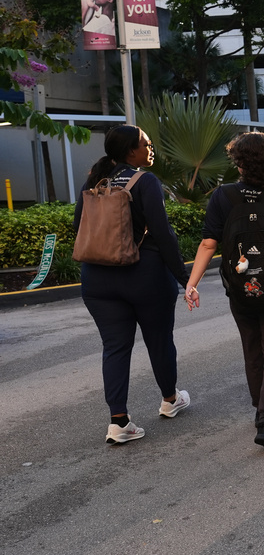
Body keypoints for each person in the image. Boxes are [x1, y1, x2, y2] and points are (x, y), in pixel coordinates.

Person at [74, 125, 192, 445]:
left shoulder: (94, 181)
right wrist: (184, 278)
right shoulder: (145, 181)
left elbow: (77, 226)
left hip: (97, 280)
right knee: (158, 340)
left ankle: (119, 422)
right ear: (130, 152)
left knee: (114, 347)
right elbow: (163, 234)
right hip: (145, 276)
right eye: (146, 144)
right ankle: (170, 399)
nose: (151, 147)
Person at [184, 133, 264, 449]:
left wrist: (191, 284)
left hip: (239, 288)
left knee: (252, 347)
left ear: (238, 162)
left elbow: (209, 242)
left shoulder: (223, 196)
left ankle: (258, 405)